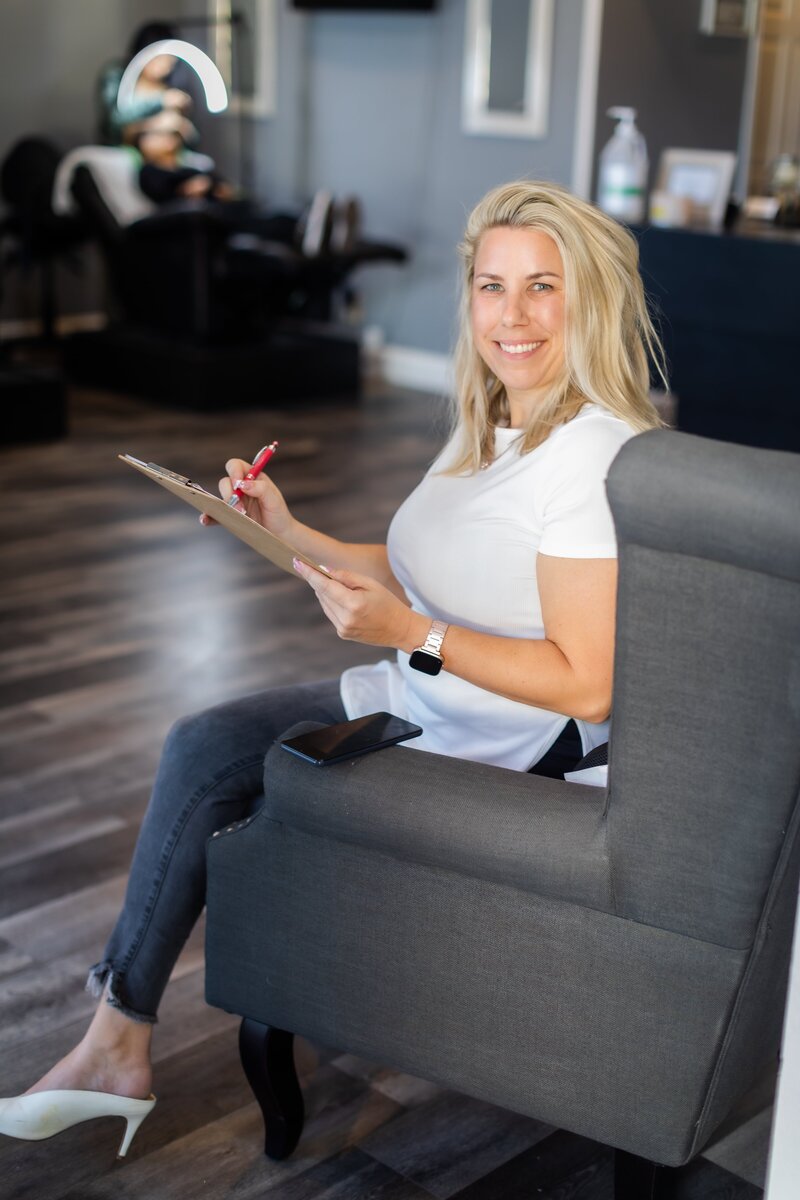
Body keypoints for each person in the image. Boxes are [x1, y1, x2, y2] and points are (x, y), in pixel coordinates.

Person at [0, 179, 665, 1157]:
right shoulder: (499, 422)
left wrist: (409, 631)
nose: (509, 317)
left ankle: (118, 1047)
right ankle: (117, 1040)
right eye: (490, 287)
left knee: (220, 758)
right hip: (426, 705)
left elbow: (586, 683)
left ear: (589, 301)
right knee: (204, 742)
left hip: (488, 754)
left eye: (540, 288)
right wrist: (284, 528)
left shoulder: (589, 459)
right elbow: (414, 566)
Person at [96, 22, 196, 148]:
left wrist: (180, 126)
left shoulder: (172, 85)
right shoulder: (117, 77)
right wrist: (160, 106)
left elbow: (191, 137)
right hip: (122, 153)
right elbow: (115, 120)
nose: (165, 67)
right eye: (160, 58)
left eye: (170, 61)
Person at [135, 127, 235, 204]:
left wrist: (208, 184)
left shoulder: (183, 167)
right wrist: (185, 189)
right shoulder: (148, 171)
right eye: (156, 138)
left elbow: (211, 177)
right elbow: (161, 193)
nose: (167, 139)